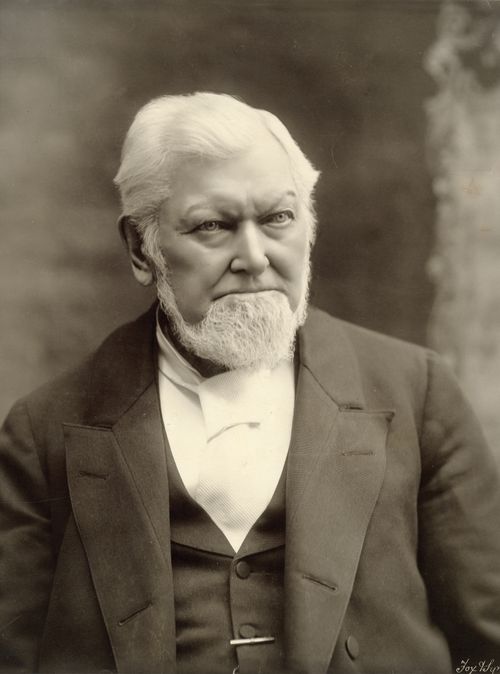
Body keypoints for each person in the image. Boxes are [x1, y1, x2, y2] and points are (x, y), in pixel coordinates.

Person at [0, 92, 499, 674]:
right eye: (214, 226)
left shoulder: (417, 393)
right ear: (142, 249)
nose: (255, 257)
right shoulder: (45, 433)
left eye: (278, 218)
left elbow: (487, 653)